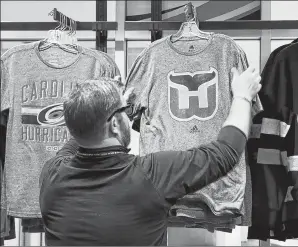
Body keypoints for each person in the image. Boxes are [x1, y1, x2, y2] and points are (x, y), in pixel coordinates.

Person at [39, 67, 262, 246]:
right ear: (115, 124)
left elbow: (82, 130)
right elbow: (225, 153)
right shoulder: (153, 174)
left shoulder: (51, 174)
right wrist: (242, 96)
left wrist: (104, 107)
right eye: (124, 111)